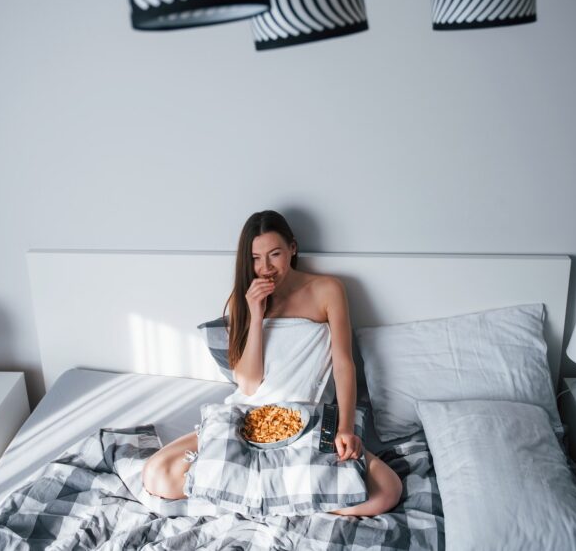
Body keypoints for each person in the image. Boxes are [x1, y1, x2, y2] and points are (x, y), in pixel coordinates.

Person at [142, 210, 403, 516]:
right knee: (156, 473)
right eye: (255, 258)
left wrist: (345, 428)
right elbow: (250, 384)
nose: (265, 268)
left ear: (292, 248)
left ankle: (243, 498)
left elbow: (345, 364)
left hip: (308, 419)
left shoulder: (327, 290)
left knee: (388, 490)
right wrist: (255, 313)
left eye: (274, 254)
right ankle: (286, 501)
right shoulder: (245, 298)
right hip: (247, 418)